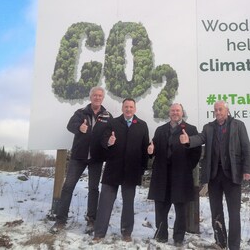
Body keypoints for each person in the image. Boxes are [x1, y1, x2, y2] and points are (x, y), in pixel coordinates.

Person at [180, 100, 250, 250]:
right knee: (216, 211)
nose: (218, 112)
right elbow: (200, 138)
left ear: (227, 110)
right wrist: (188, 141)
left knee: (234, 213)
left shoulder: (238, 125)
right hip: (214, 176)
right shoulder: (209, 127)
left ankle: (234, 246)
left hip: (233, 175)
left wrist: (247, 170)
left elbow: (246, 148)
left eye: (220, 109)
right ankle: (220, 242)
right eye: (216, 110)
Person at [50, 86, 112, 234]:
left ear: (102, 98)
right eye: (95, 95)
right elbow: (70, 125)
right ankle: (60, 220)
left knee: (93, 189)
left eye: (100, 96)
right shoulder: (80, 112)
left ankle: (91, 220)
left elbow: (108, 135)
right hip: (78, 157)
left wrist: (109, 142)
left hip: (96, 158)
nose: (97, 98)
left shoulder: (107, 116)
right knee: (68, 187)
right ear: (90, 97)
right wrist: (79, 128)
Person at [93, 98, 149, 242]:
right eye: (126, 107)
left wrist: (142, 169)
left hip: (132, 171)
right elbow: (103, 141)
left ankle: (126, 233)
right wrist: (109, 142)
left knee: (128, 204)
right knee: (105, 203)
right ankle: (99, 233)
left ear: (135, 109)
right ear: (122, 108)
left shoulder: (142, 125)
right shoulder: (113, 123)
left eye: (131, 107)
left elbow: (144, 150)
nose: (128, 109)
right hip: (113, 169)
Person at [147, 103, 201, 247]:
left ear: (182, 113)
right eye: (172, 110)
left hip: (181, 175)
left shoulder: (190, 129)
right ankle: (161, 235)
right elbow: (154, 148)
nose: (175, 113)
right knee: (161, 207)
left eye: (178, 110)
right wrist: (151, 151)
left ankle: (178, 237)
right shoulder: (160, 130)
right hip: (162, 175)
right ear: (169, 113)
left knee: (180, 208)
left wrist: (187, 166)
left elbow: (196, 153)